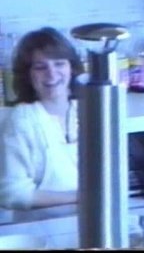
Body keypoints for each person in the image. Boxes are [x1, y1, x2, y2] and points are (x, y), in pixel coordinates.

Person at [0, 27, 84, 211]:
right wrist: (78, 197)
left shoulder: (87, 110)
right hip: (42, 226)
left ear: (72, 68)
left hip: (91, 217)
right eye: (40, 67)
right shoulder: (23, 120)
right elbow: (13, 193)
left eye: (59, 64)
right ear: (28, 76)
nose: (51, 74)